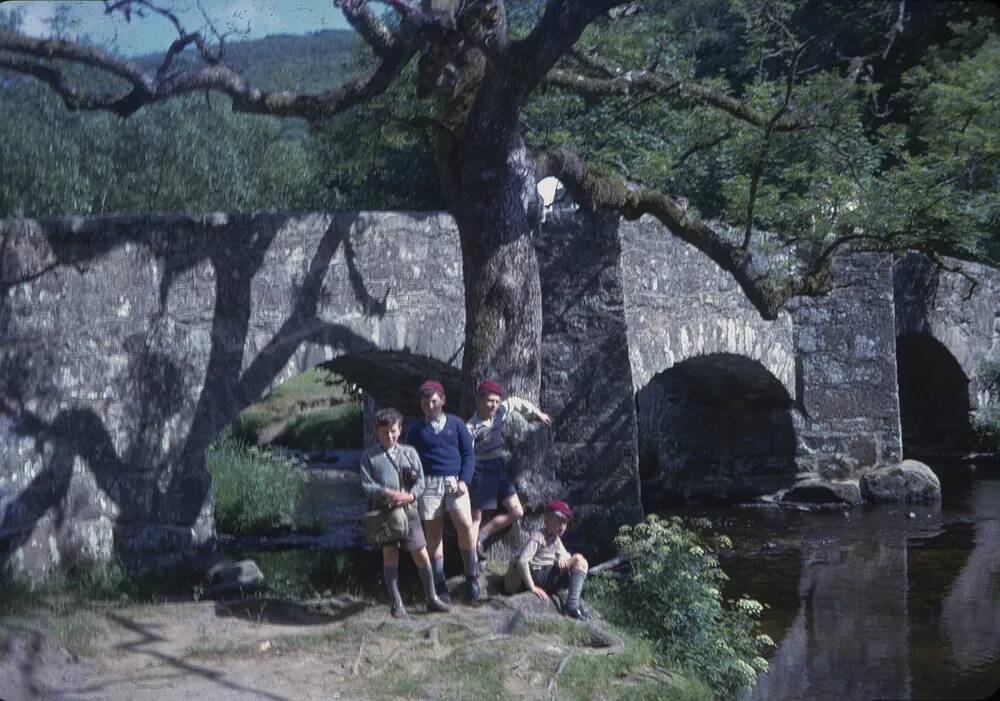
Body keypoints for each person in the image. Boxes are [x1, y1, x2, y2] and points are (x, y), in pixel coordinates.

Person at [359, 407, 451, 618]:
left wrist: (410, 496)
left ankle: (432, 597)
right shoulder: (369, 457)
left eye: (394, 431)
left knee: (420, 552)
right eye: (385, 432)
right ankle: (396, 602)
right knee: (390, 554)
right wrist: (386, 492)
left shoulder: (409, 453)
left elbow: (420, 481)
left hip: (409, 512)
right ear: (376, 431)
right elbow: (366, 485)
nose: (390, 436)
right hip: (385, 515)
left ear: (400, 430)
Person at [404, 380, 479, 602]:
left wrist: (464, 481)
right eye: (425, 402)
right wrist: (411, 486)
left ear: (443, 400)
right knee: (433, 534)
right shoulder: (416, 429)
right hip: (428, 485)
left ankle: (471, 575)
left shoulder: (457, 425)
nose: (430, 405)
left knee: (465, 524)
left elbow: (469, 455)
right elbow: (410, 461)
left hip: (454, 482)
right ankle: (440, 584)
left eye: (434, 401)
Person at [467, 379, 551, 558]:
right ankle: (471, 560)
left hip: (498, 468)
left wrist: (538, 413)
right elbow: (466, 455)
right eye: (490, 401)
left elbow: (515, 403)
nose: (494, 405)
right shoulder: (470, 427)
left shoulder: (498, 414)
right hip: (480, 471)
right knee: (476, 517)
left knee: (517, 511)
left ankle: (482, 536)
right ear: (479, 400)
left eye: (497, 402)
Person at [505, 499, 590, 620]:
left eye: (565, 523)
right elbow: (522, 561)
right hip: (537, 574)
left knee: (579, 558)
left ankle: (573, 605)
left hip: (546, 575)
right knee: (578, 559)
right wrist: (532, 587)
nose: (562, 527)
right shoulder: (538, 536)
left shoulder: (555, 538)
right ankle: (572, 606)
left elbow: (566, 555)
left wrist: (561, 557)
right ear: (547, 520)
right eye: (559, 522)